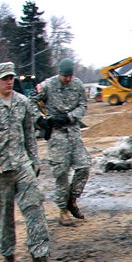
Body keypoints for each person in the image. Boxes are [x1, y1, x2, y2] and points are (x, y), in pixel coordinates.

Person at [0, 62, 54, 262]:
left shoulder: (23, 103)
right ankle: (8, 256)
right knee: (4, 215)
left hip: (21, 166)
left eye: (11, 78)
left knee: (35, 207)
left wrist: (34, 160)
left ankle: (40, 257)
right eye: (5, 78)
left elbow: (29, 135)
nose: (9, 82)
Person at [35, 58, 90, 226]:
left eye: (70, 75)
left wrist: (69, 116)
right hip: (56, 135)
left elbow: (83, 105)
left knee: (84, 165)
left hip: (73, 132)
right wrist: (39, 119)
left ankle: (71, 201)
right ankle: (62, 211)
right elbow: (30, 102)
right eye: (65, 76)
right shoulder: (47, 86)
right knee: (61, 173)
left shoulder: (78, 85)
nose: (68, 79)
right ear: (60, 73)